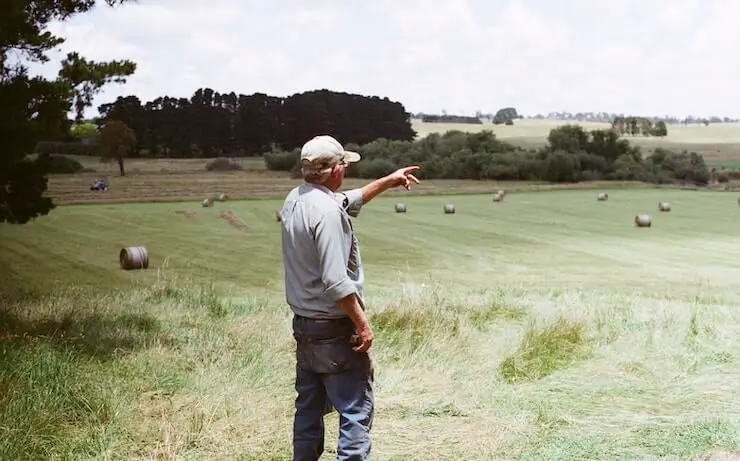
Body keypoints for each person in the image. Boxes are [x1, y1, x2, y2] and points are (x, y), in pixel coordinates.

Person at [279, 135, 420, 461]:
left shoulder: (296, 199)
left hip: (305, 325)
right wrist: (363, 324)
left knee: (308, 409)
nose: (346, 168)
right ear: (332, 171)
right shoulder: (327, 214)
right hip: (334, 328)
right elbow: (336, 281)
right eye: (343, 163)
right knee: (355, 412)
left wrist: (389, 181)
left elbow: (348, 200)